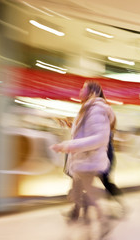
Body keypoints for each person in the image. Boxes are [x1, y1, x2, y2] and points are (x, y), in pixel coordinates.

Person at [50, 80, 116, 222]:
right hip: (82, 159)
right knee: (78, 191)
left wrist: (68, 146)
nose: (80, 91)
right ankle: (79, 212)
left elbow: (98, 138)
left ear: (92, 92)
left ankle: (103, 220)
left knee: (89, 192)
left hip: (89, 160)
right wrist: (69, 126)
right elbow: (85, 132)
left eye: (83, 88)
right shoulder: (88, 109)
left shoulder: (96, 109)